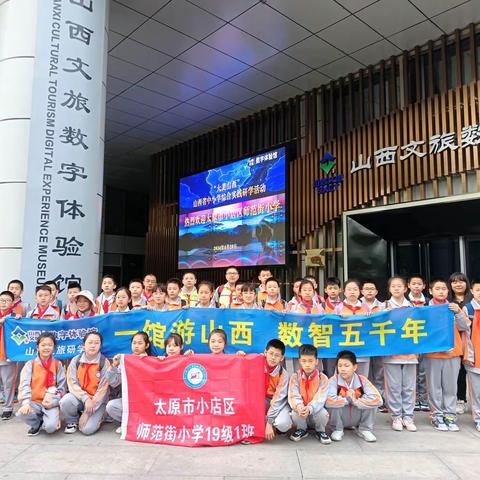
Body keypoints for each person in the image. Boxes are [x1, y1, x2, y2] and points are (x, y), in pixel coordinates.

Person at [424, 278, 468, 431]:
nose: (441, 291)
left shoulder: (453, 307)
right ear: (430, 291)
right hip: (433, 354)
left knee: (450, 387)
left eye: (444, 288)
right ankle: (436, 415)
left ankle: (450, 415)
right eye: (437, 288)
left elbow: (464, 327)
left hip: (453, 353)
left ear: (448, 291)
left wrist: (457, 312)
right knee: (434, 386)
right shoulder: (425, 309)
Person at [383, 276, 418, 432]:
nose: (396, 289)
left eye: (400, 286)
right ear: (389, 289)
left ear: (406, 288)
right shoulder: (384, 307)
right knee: (394, 387)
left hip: (410, 353)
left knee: (409, 387)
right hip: (391, 354)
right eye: (393, 286)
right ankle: (396, 415)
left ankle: (408, 416)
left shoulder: (414, 307)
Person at [60, 332, 110, 435]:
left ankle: (102, 415)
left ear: (100, 346)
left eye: (96, 343)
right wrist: (85, 398)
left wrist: (89, 411)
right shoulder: (76, 361)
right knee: (65, 400)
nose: (93, 345)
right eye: (90, 342)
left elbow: (103, 389)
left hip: (97, 402)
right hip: (81, 399)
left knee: (86, 430)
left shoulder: (104, 362)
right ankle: (72, 421)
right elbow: (72, 383)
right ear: (83, 345)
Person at [326, 350, 382, 443]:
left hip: (358, 416)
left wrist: (356, 401)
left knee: (371, 404)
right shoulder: (333, 381)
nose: (343, 369)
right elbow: (328, 401)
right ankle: (337, 429)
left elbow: (378, 400)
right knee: (334, 404)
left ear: (355, 367)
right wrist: (347, 399)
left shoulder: (362, 380)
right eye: (340, 366)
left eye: (346, 366)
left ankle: (365, 429)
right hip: (341, 416)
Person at [17, 332, 66, 435]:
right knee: (22, 412)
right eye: (43, 345)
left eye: (49, 345)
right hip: (34, 401)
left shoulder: (58, 364)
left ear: (54, 347)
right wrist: (26, 402)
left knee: (50, 428)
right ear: (37, 347)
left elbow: (62, 387)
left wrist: (54, 401)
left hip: (50, 403)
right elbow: (24, 384)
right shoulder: (31, 364)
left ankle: (49, 420)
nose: (46, 348)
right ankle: (37, 424)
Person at [106, 331, 151, 434]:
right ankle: (127, 423)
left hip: (147, 402)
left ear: (147, 345)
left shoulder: (152, 361)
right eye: (134, 343)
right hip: (130, 401)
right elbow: (113, 383)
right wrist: (114, 366)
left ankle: (144, 424)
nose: (136, 346)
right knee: (111, 406)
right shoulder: (125, 361)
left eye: (140, 343)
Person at [288, 344, 330, 444]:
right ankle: (301, 429)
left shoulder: (322, 378)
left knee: (323, 414)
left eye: (310, 361)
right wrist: (299, 407)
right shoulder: (295, 377)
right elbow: (293, 395)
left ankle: (320, 431)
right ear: (299, 361)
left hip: (315, 409)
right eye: (304, 361)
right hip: (302, 411)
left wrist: (310, 408)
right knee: (294, 413)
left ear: (316, 361)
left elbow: (321, 397)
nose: (307, 364)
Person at [448, 272, 472, 416]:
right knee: (459, 373)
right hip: (455, 342)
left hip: (472, 341)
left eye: (461, 281)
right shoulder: (447, 301)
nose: (458, 284)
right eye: (455, 282)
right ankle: (461, 400)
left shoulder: (473, 300)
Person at [407, 274, 430, 413]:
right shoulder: (403, 301)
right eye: (413, 283)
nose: (416, 286)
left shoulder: (429, 302)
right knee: (411, 372)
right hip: (408, 341)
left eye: (419, 283)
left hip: (424, 341)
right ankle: (413, 399)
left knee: (423, 371)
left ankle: (423, 399)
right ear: (408, 286)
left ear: (424, 286)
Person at [361, 280, 385, 398]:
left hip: (378, 342)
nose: (369, 291)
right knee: (364, 372)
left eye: (372, 289)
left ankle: (379, 397)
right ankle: (366, 396)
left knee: (379, 371)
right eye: (366, 288)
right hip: (362, 343)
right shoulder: (356, 305)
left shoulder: (383, 306)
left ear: (376, 292)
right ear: (362, 291)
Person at [264, 339, 292, 440]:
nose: (272, 358)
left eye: (277, 355)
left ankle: (275, 427)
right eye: (271, 353)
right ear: (265, 353)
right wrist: (239, 356)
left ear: (282, 358)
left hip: (277, 402)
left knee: (284, 424)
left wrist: (269, 422)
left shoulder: (283, 374)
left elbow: (277, 400)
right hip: (261, 400)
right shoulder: (257, 363)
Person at [463, 279, 480, 431]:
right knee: (476, 391)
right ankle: (478, 418)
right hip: (475, 357)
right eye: (478, 290)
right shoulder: (468, 309)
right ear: (472, 292)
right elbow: (465, 335)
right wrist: (469, 355)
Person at [0, 291, 18, 420]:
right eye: (1, 300)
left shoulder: (14, 317)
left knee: (8, 383)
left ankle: (8, 408)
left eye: (7, 300)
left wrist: (17, 319)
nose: (3, 302)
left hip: (7, 355)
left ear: (12, 303)